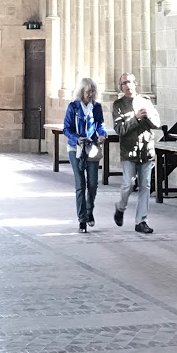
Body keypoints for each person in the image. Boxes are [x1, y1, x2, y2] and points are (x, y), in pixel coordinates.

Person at [111, 72, 159, 235]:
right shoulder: (118, 105)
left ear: (135, 83)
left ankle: (141, 221)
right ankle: (120, 207)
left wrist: (148, 116)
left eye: (130, 82)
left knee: (145, 185)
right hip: (129, 151)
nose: (128, 85)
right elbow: (119, 129)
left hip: (146, 149)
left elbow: (157, 123)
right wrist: (136, 118)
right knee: (129, 184)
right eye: (124, 83)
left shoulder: (145, 101)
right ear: (121, 87)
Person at [63, 77, 107, 232]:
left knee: (93, 183)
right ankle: (82, 220)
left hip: (92, 147)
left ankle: (89, 211)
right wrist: (77, 138)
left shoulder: (97, 107)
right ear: (81, 92)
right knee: (80, 184)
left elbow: (100, 124)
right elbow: (66, 128)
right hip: (76, 148)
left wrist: (102, 134)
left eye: (93, 91)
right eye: (88, 91)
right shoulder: (73, 107)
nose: (91, 94)